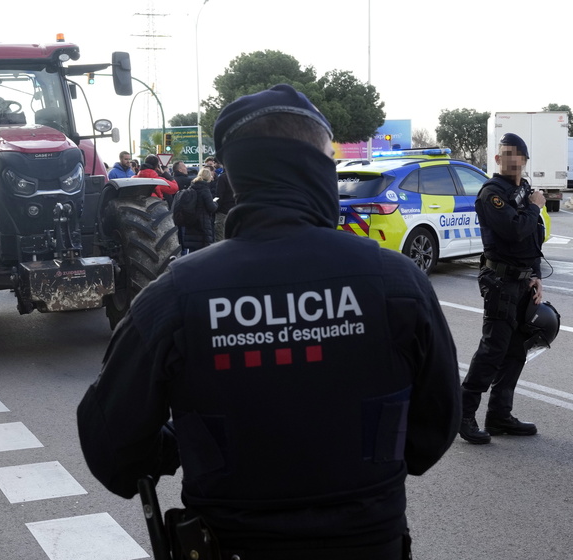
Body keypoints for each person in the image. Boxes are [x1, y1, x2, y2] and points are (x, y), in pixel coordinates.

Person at [77, 84, 461, 560]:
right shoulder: (396, 283)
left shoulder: (175, 298)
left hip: (228, 544)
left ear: (237, 174)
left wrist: (183, 446)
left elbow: (111, 448)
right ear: (318, 166)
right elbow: (436, 426)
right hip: (369, 542)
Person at [459, 132, 546, 444]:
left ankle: (499, 415)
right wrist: (535, 207)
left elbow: (532, 239)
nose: (508, 158)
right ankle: (464, 414)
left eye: (515, 154)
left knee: (516, 350)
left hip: (523, 280)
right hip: (500, 282)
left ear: (523, 159)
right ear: (497, 159)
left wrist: (536, 276)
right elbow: (513, 231)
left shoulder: (522, 189)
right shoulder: (492, 193)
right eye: (503, 153)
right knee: (493, 350)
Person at [181, 166, 217, 254]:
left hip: (191, 221)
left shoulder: (191, 187)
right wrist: (216, 203)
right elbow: (211, 207)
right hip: (203, 222)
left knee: (193, 249)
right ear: (208, 177)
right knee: (204, 250)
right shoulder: (205, 189)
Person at [214, 163, 235, 242]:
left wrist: (215, 208)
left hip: (223, 212)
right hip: (235, 212)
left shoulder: (223, 178)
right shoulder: (238, 178)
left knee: (220, 238)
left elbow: (219, 196)